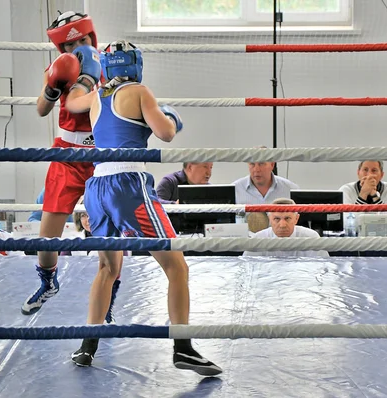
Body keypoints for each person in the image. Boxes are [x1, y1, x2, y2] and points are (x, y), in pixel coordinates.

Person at [64, 40, 222, 375]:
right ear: (136, 65)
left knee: (107, 269)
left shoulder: (97, 96)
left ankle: (87, 348)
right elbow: (165, 133)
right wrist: (172, 117)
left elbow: (71, 102)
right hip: (128, 186)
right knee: (177, 266)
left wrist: (87, 76)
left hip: (96, 188)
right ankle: (184, 348)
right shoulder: (138, 90)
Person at [21, 11, 107, 316]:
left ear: (91, 36)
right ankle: (48, 282)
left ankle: (106, 299)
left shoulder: (109, 64)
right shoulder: (57, 68)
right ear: (63, 49)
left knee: (106, 236)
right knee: (47, 237)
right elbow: (42, 110)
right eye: (73, 44)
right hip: (67, 156)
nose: (81, 47)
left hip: (102, 157)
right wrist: (52, 87)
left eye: (84, 39)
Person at [243, 198, 329, 257]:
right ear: (270, 219)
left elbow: (324, 270)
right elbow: (246, 271)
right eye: (276, 219)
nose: (282, 225)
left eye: (287, 218)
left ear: (296, 219)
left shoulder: (311, 237)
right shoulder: (258, 240)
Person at [233, 153, 299, 205]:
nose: (256, 169)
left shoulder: (290, 189)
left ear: (272, 165)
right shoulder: (235, 189)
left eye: (261, 164)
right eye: (252, 164)